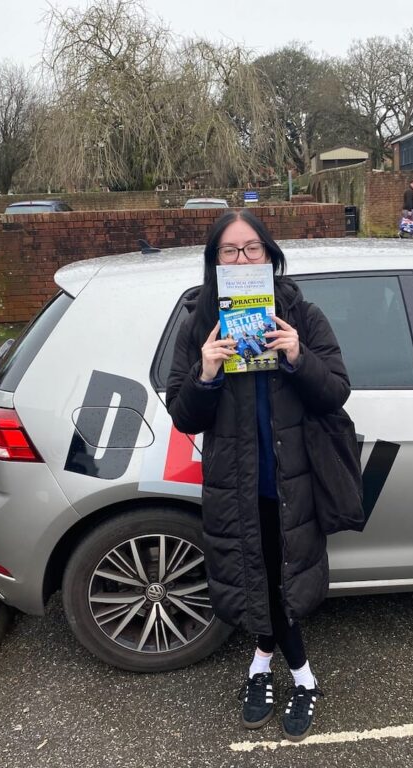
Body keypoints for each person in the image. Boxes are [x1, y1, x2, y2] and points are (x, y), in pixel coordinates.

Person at [165, 209, 351, 742]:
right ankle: (296, 675)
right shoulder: (200, 323)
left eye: (252, 248)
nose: (242, 258)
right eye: (230, 250)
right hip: (238, 484)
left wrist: (297, 355)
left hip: (293, 481)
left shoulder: (302, 315)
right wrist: (205, 372)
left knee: (280, 580)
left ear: (269, 255)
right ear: (215, 261)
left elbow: (336, 391)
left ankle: (270, 668)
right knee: (259, 578)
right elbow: (183, 416)